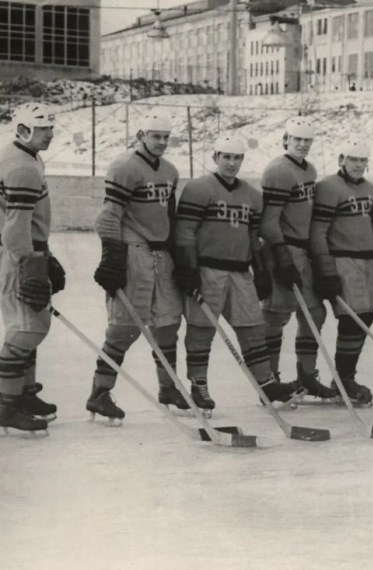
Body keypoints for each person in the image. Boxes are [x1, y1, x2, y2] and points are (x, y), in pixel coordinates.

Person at [88, 113, 186, 423]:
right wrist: (112, 257)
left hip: (161, 255)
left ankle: (168, 388)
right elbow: (108, 217)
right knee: (124, 327)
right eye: (156, 136)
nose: (161, 142)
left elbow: (170, 217)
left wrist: (180, 257)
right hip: (133, 252)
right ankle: (100, 393)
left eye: (166, 137)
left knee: (168, 323)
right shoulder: (124, 167)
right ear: (141, 135)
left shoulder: (170, 171)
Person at [173, 135, 276, 413]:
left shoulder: (252, 195)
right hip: (208, 270)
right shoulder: (198, 189)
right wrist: (188, 268)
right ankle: (199, 385)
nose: (232, 163)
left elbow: (253, 237)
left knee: (253, 327)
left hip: (240, 272)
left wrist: (261, 270)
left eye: (237, 157)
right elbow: (185, 232)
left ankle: (266, 383)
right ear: (215, 157)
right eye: (226, 157)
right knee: (201, 329)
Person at [260, 117, 339, 402]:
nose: (303, 144)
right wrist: (281, 255)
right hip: (284, 248)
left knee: (314, 312)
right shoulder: (278, 171)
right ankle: (269, 380)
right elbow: (269, 221)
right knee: (276, 314)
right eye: (297, 139)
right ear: (286, 140)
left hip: (304, 250)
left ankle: (306, 376)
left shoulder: (310, 169)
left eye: (307, 140)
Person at [0, 103, 61, 433]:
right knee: (26, 329)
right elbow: (14, 229)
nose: (50, 134)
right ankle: (6, 406)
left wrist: (45, 255)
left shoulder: (28, 157)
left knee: (32, 325)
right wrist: (31, 265)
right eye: (43, 129)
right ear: (23, 130)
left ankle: (23, 394)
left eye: (51, 127)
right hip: (18, 255)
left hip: (28, 250)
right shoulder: (22, 166)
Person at [308, 139, 373, 405]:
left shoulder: (371, 189)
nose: (358, 165)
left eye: (362, 160)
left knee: (367, 316)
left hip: (367, 261)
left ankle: (345, 376)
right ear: (342, 160)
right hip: (342, 258)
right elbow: (318, 230)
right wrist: (325, 268)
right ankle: (344, 379)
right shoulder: (328, 187)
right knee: (353, 318)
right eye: (353, 160)